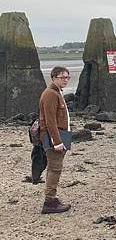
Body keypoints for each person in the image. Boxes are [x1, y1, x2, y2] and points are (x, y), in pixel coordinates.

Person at [38, 66, 72, 214]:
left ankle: (51, 198)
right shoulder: (51, 94)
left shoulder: (56, 92)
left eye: (67, 77)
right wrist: (57, 141)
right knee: (55, 168)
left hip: (61, 134)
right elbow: (50, 120)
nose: (65, 80)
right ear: (53, 78)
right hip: (55, 136)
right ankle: (49, 202)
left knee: (54, 167)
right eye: (61, 77)